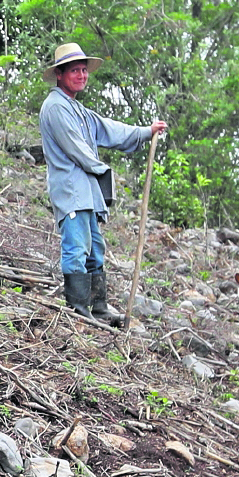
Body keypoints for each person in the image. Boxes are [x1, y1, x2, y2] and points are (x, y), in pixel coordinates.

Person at [39, 42, 165, 326]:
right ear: (60, 74)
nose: (81, 75)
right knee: (76, 249)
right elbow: (76, 148)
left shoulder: (78, 110)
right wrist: (103, 170)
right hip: (71, 191)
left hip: (87, 194)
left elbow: (109, 129)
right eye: (75, 71)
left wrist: (146, 131)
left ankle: (98, 308)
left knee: (95, 250)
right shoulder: (55, 107)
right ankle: (78, 309)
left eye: (84, 70)